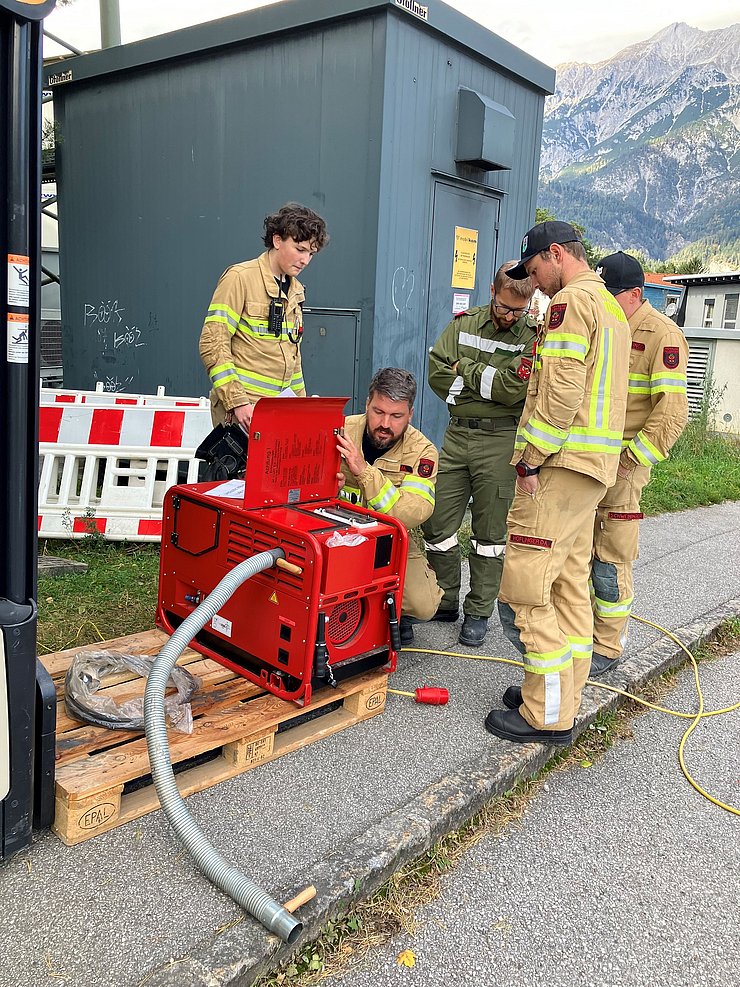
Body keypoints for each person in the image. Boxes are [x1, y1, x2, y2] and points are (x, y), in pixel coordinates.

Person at [486, 221, 630, 746]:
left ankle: (546, 713)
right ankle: (559, 696)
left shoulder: (570, 304)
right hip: (593, 471)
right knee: (569, 584)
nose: (535, 282)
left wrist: (529, 460)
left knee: (526, 588)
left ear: (555, 255)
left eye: (536, 270)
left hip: (559, 466)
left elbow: (562, 392)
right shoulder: (612, 308)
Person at [422, 262, 538, 647]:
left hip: (501, 442)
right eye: (504, 307)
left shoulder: (533, 337)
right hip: (456, 437)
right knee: (437, 524)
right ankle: (446, 597)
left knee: (490, 536)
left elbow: (511, 390)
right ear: (492, 290)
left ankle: (478, 613)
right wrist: (482, 386)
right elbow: (437, 371)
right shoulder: (465, 323)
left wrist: (466, 370)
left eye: (518, 311)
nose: (509, 317)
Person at [589, 251, 689, 676]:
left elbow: (672, 412)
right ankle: (582, 636)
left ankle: (608, 646)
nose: (606, 301)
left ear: (635, 293)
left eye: (613, 294)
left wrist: (632, 462)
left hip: (624, 467)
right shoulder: (607, 325)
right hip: (590, 462)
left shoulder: (662, 335)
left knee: (610, 560)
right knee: (581, 556)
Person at [337, 368, 443, 646]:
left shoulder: (422, 452)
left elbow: (412, 512)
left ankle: (394, 612)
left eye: (396, 416)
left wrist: (363, 471)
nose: (385, 424)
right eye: (378, 412)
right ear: (367, 404)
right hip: (337, 533)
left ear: (410, 414)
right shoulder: (341, 430)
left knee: (424, 605)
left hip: (389, 539)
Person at [199, 202, 329, 428]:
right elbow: (213, 343)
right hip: (241, 414)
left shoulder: (296, 290)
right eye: (300, 249)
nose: (305, 260)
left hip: (278, 416)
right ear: (277, 240)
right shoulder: (240, 278)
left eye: (311, 253)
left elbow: (293, 360)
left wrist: (302, 408)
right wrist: (237, 402)